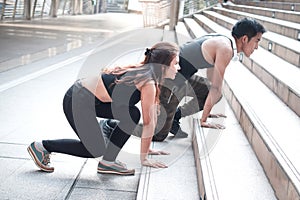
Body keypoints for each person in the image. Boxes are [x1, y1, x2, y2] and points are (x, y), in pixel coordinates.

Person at [100, 17, 266, 142]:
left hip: (181, 75)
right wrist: (203, 120)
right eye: (257, 41)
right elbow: (217, 87)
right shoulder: (226, 49)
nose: (257, 47)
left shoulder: (222, 40)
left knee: (206, 91)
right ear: (245, 39)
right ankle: (111, 125)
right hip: (170, 79)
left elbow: (211, 84)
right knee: (159, 135)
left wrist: (207, 108)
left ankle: (175, 117)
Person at [27, 41, 181, 175]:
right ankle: (42, 146)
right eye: (175, 63)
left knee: (132, 114)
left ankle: (108, 161)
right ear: (163, 65)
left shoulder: (146, 75)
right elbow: (148, 123)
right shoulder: (147, 82)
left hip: (92, 101)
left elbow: (151, 117)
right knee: (94, 149)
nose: (178, 68)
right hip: (77, 99)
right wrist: (144, 158)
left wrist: (147, 150)